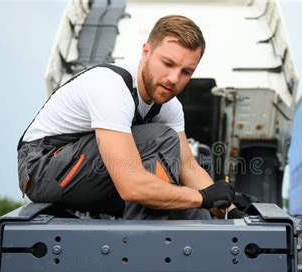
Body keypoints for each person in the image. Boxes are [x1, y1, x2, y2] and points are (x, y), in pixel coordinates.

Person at [17, 15, 243, 220]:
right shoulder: (111, 88)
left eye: (186, 72)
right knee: (160, 140)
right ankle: (138, 254)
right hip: (42, 168)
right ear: (146, 52)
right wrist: (202, 197)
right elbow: (131, 186)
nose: (174, 78)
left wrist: (228, 209)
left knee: (193, 211)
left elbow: (188, 167)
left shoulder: (170, 106)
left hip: (91, 171)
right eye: (167, 63)